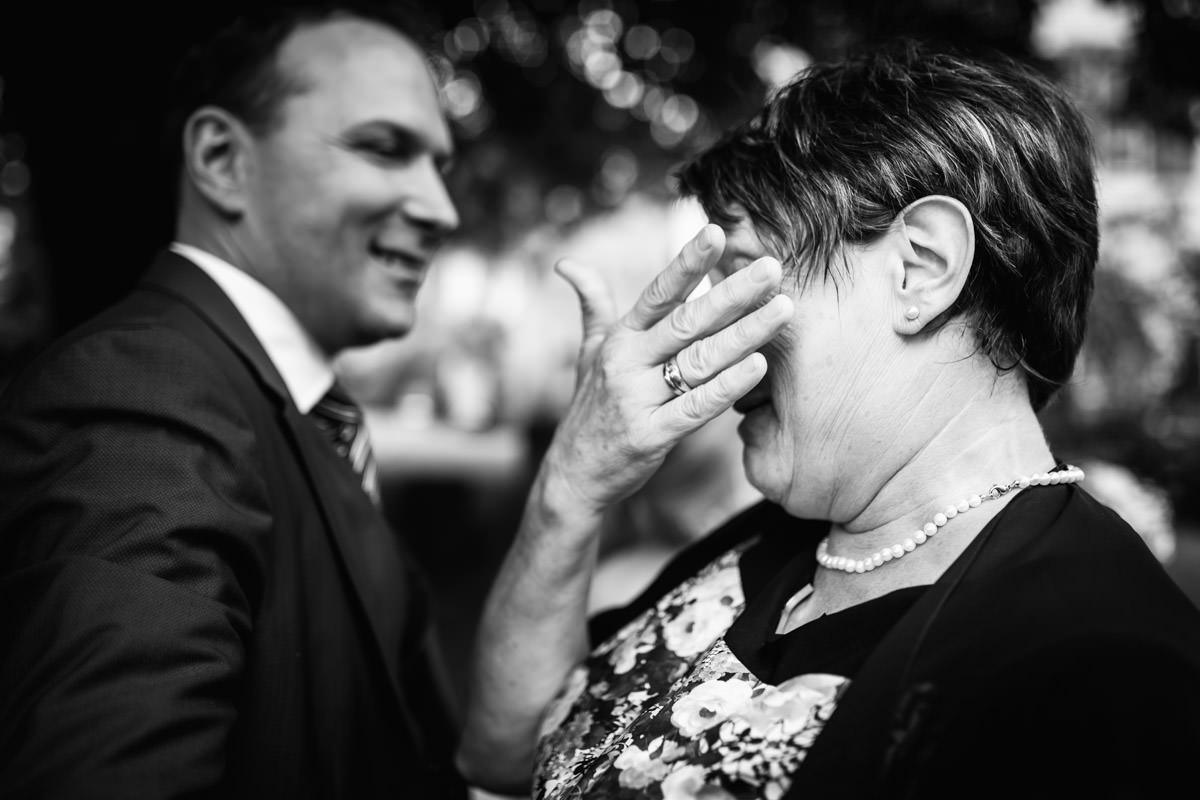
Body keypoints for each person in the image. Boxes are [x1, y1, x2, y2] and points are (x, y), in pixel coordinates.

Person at [457, 39, 1200, 799]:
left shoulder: (1103, 666)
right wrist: (570, 489)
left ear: (921, 265)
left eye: (740, 275)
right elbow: (504, 755)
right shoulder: (774, 543)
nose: (708, 332)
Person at [0, 4, 477, 797]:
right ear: (221, 159)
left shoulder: (264, 396)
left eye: (441, 165)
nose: (440, 209)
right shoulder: (144, 393)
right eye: (385, 148)